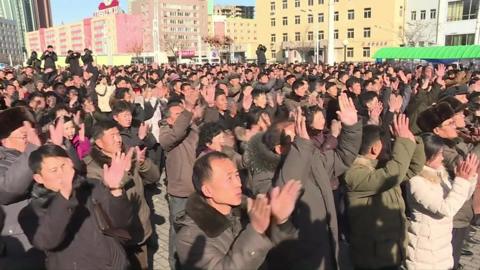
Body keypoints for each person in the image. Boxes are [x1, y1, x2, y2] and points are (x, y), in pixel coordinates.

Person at [271, 93, 362, 270]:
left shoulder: (313, 160)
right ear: (279, 148)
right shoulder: (269, 175)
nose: (301, 140)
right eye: (295, 139)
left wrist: (351, 128)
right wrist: (303, 147)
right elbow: (287, 187)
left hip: (326, 251)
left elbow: (343, 158)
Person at [175, 151, 302, 269]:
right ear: (208, 191)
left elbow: (288, 255)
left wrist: (281, 221)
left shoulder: (248, 212)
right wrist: (256, 232)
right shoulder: (190, 238)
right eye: (229, 179)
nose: (238, 183)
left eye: (237, 175)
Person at [19, 144, 133, 270]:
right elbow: (47, 241)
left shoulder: (91, 187)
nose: (62, 173)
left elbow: (121, 223)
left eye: (64, 166)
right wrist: (64, 196)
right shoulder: (31, 212)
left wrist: (115, 190)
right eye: (54, 170)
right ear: (38, 178)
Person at [344, 115, 425, 270]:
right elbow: (391, 176)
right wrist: (403, 142)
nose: (391, 149)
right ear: (375, 148)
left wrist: (411, 140)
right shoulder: (354, 174)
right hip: (373, 257)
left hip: (392, 249)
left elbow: (414, 167)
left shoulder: (381, 166)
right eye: (387, 146)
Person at [84, 121, 160, 270]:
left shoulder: (129, 155)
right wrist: (125, 172)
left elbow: (154, 177)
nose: (118, 139)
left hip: (139, 228)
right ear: (99, 142)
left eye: (118, 134)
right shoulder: (93, 168)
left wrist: (143, 163)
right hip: (116, 235)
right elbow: (105, 200)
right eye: (112, 136)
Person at [406, 134, 478, 269]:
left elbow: (459, 200)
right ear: (426, 156)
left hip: (441, 247)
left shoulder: (439, 174)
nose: (442, 158)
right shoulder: (416, 181)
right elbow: (446, 209)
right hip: (425, 251)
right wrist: (461, 180)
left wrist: (469, 178)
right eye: (439, 154)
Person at [158, 92, 202, 269]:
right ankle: (175, 264)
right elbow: (175, 134)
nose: (183, 115)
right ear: (169, 119)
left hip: (197, 190)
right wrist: (189, 110)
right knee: (178, 231)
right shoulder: (166, 133)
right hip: (179, 193)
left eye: (183, 112)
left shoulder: (192, 129)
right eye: (178, 114)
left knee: (196, 230)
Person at [0, 106, 43, 270]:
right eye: (25, 136)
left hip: (48, 233)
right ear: (5, 140)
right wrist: (33, 150)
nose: (31, 139)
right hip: (21, 244)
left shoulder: (37, 152)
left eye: (33, 134)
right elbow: (8, 190)